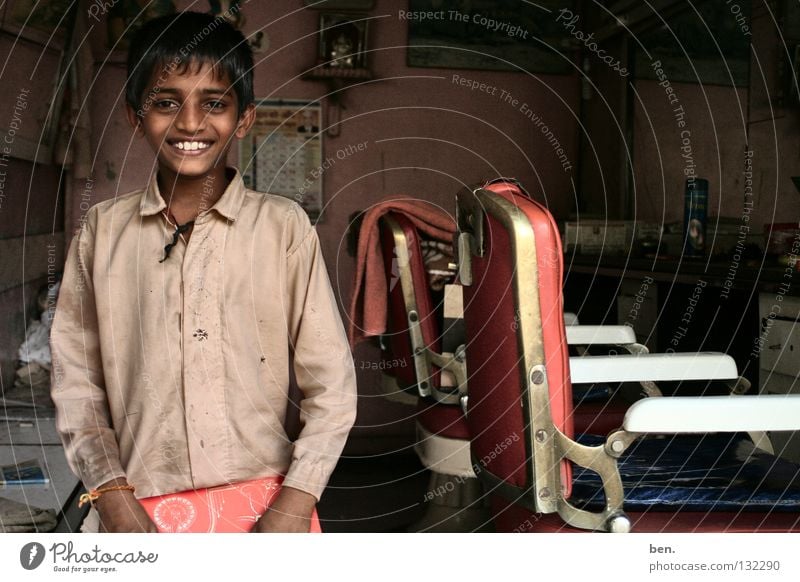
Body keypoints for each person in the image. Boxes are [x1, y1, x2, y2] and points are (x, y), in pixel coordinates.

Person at [50, 11, 357, 533]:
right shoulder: (102, 232)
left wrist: (295, 501)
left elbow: (331, 386)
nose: (190, 123)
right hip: (135, 508)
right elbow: (77, 381)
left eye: (213, 103)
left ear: (243, 118)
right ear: (134, 116)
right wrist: (111, 495)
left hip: (268, 508)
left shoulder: (283, 229)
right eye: (165, 102)